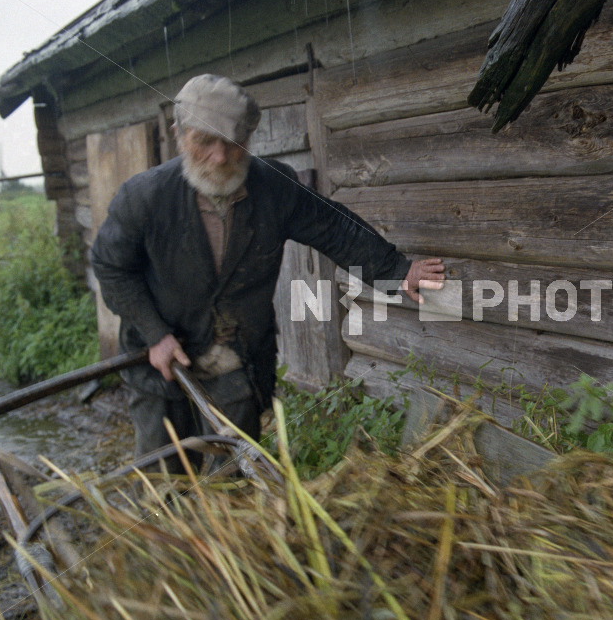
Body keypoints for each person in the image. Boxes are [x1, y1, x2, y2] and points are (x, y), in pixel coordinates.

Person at [90, 73, 444, 468]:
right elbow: (110, 267)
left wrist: (397, 270)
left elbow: (335, 228)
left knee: (232, 477)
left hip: (236, 358)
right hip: (161, 366)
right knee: (162, 478)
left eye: (233, 143)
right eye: (204, 141)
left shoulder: (272, 187)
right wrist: (156, 335)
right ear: (179, 133)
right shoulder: (144, 197)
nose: (220, 157)